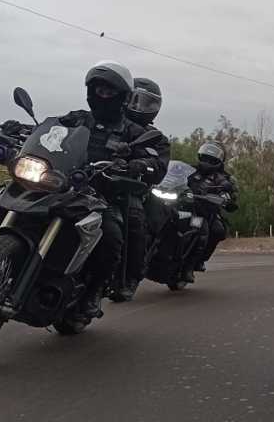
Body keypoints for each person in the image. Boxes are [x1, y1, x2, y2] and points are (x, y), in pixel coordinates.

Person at [58, 61, 170, 325]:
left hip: (104, 194)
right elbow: (51, 130)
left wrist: (140, 164)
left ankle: (95, 291)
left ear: (120, 96)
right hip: (66, 186)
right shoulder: (79, 118)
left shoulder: (140, 133)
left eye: (109, 92)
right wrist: (23, 129)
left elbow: (158, 162)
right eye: (98, 90)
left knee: (112, 236)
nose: (102, 96)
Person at [118, 77, 171, 301]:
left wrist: (143, 165)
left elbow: (160, 167)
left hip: (129, 189)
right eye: (134, 99)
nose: (139, 106)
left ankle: (130, 276)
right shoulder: (101, 118)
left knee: (138, 222)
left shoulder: (155, 138)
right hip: (86, 181)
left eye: (147, 103)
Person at [184, 141, 238, 277]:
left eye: (212, 158)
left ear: (219, 160)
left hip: (203, 213)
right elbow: (173, 176)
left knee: (213, 230)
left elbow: (230, 193)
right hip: (182, 206)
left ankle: (192, 264)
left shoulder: (222, 178)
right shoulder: (189, 169)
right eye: (206, 156)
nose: (208, 160)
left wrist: (227, 196)